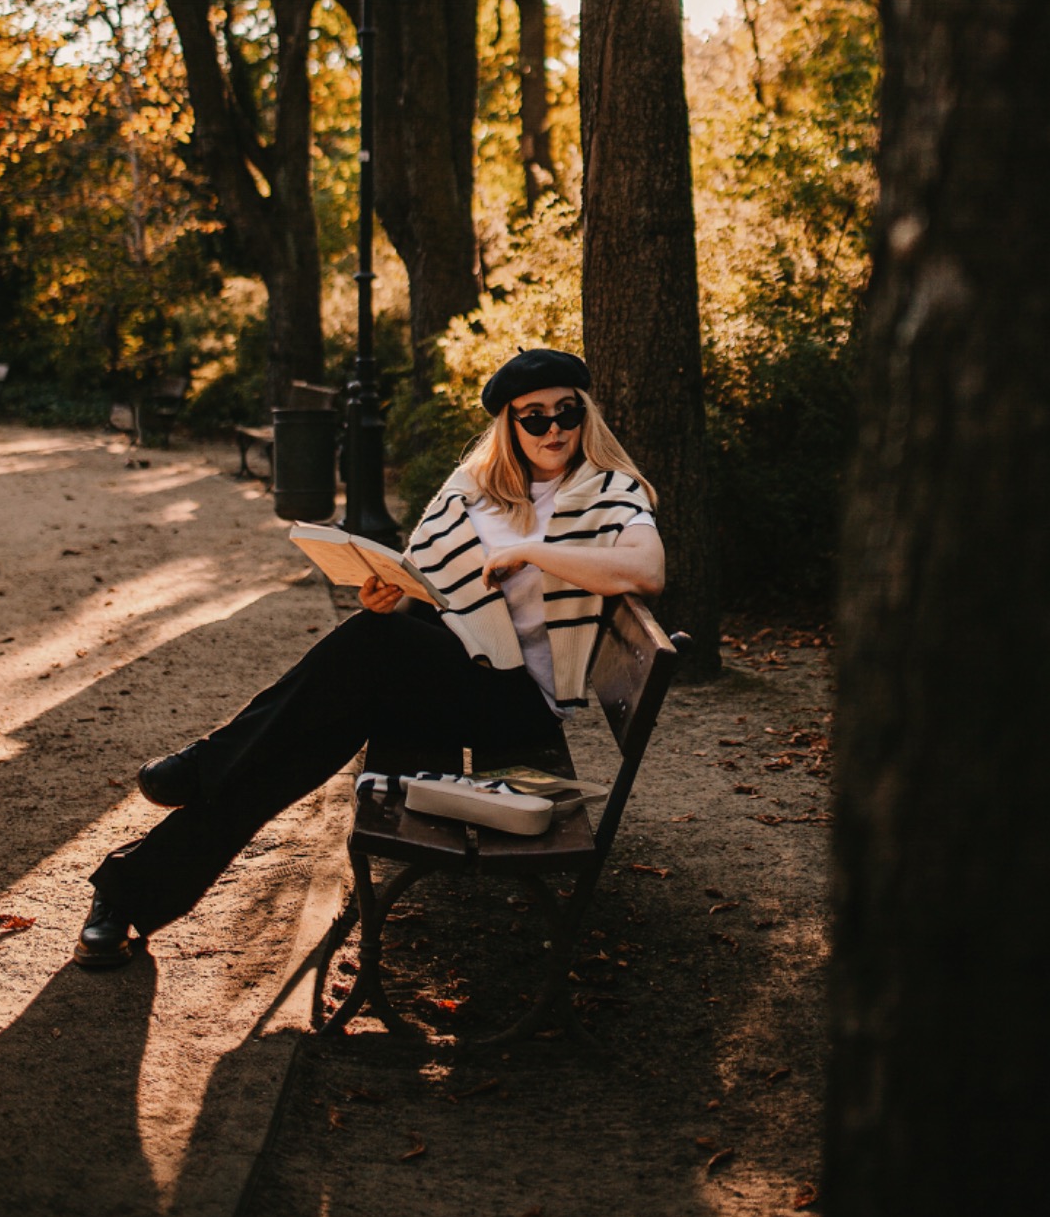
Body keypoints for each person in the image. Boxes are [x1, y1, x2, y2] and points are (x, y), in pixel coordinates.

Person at [74, 348, 664, 967]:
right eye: (534, 417)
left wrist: (540, 554)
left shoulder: (608, 491)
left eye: (566, 414)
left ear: (584, 415)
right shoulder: (475, 488)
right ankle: (129, 894)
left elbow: (647, 570)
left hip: (518, 705)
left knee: (366, 647)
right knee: (305, 736)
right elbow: (430, 584)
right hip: (450, 677)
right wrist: (390, 595)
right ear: (509, 427)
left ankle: (201, 769)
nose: (554, 430)